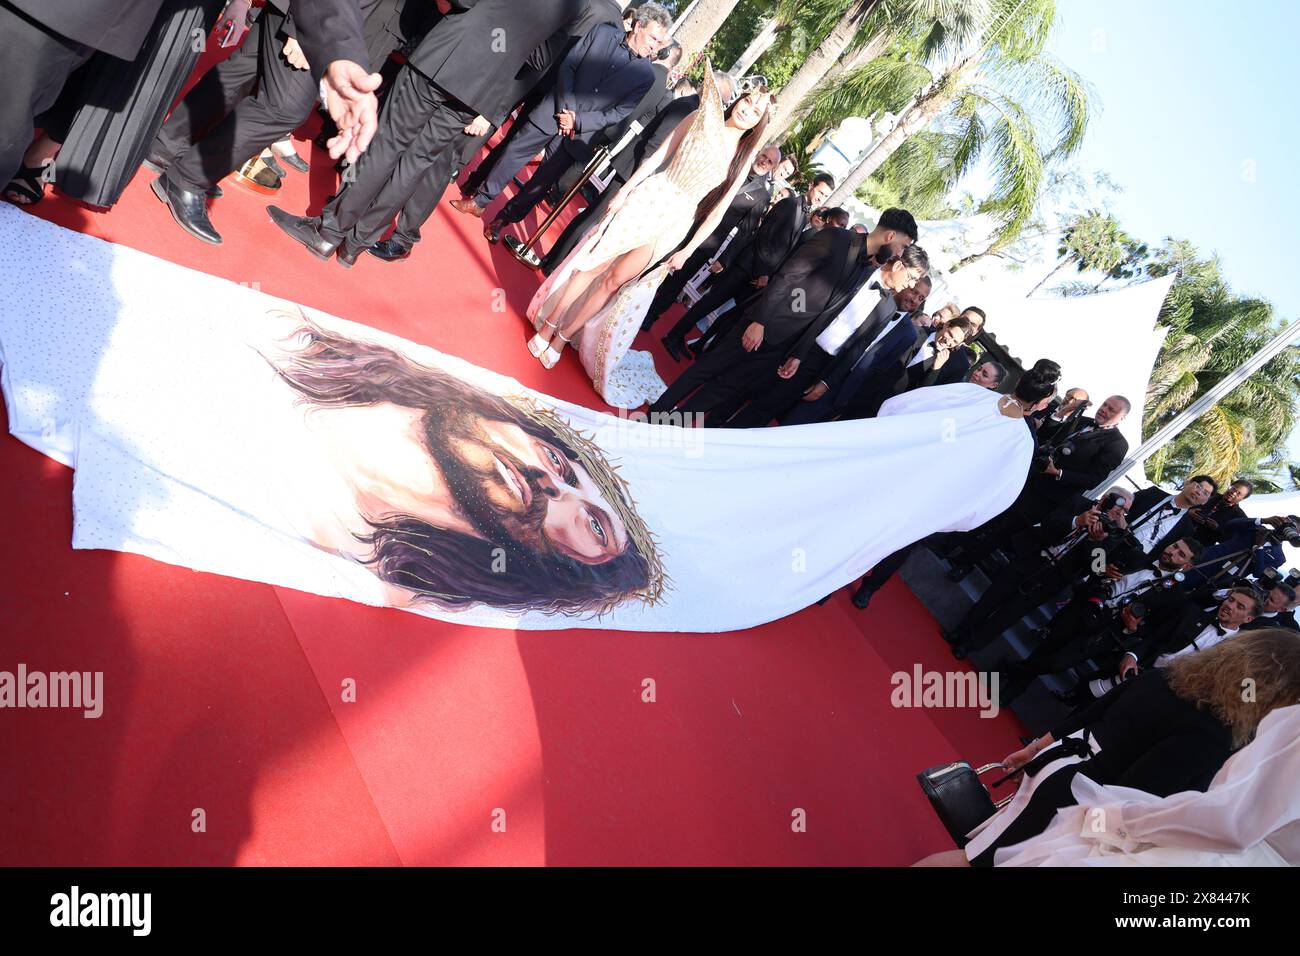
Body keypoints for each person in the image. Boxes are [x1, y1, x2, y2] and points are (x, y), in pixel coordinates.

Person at [264, 317, 665, 614]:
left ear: (556, 567)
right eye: (557, 461)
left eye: (595, 526)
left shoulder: (347, 566)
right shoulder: (304, 354)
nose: (553, 485)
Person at [916, 631, 1300, 867]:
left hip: (1059, 766)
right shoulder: (1213, 733)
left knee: (980, 853)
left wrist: (1037, 747)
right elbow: (1136, 792)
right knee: (977, 861)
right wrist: (1088, 842)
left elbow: (1093, 710)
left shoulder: (1170, 675)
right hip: (1078, 801)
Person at [522, 63, 773, 407]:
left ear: (759, 123)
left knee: (614, 281)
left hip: (677, 221)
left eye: (757, 112)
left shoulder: (740, 158)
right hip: (653, 194)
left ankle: (564, 336)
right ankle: (550, 323)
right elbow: (659, 156)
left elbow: (716, 212)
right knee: (594, 265)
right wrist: (626, 191)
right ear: (738, 99)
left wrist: (689, 249)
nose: (748, 111)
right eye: (748, 102)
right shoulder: (700, 116)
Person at [268, 0, 585, 266]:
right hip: (483, 89)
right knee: (416, 162)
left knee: (387, 143)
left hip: (445, 57)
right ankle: (356, 243)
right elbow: (541, 58)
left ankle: (328, 232)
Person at [648, 214, 921, 423]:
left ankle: (669, 426)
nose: (899, 254)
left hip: (783, 346)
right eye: (902, 246)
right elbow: (790, 276)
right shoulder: (836, 239)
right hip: (763, 325)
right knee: (706, 370)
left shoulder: (864, 269)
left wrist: (797, 353)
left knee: (723, 389)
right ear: (890, 235)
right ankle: (653, 417)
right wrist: (761, 322)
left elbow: (825, 315)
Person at [841, 365, 1058, 611]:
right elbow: (1002, 492)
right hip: (921, 480)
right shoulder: (1006, 425)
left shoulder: (1016, 433)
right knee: (892, 532)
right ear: (1041, 403)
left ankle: (860, 581)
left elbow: (906, 405)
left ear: (1019, 382)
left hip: (932, 488)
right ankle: (851, 577)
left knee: (889, 530)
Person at [448, 4, 669, 240]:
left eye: (659, 42)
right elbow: (569, 65)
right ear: (638, 26)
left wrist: (578, 121)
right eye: (654, 38)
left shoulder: (645, 75)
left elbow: (619, 112)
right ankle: (480, 201)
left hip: (581, 133)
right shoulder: (602, 33)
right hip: (554, 108)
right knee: (512, 153)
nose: (655, 46)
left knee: (540, 183)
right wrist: (568, 110)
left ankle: (503, 219)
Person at [537, 67, 736, 276]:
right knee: (593, 220)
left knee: (595, 221)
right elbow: (656, 145)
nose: (722, 108)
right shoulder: (687, 108)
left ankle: (555, 262)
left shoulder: (693, 110)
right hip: (634, 172)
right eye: (723, 101)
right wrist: (642, 182)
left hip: (637, 174)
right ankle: (553, 264)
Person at [657, 172, 836, 360]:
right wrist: (763, 273)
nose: (820, 197)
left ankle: (679, 337)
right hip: (747, 265)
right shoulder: (790, 204)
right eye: (820, 191)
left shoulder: (803, 214)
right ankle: (673, 336)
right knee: (709, 302)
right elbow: (764, 236)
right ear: (810, 185)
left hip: (755, 275)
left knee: (717, 309)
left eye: (824, 196)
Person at [636, 143, 779, 333]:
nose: (764, 162)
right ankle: (632, 296)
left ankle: (650, 315)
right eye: (764, 156)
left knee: (678, 279)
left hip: (709, 241)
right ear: (758, 153)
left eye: (770, 162)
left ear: (773, 168)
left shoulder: (762, 195)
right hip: (688, 221)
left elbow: (746, 231)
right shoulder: (734, 166)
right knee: (657, 258)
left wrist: (725, 259)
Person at [1189, 478, 1253, 545]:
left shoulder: (1239, 516)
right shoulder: (1210, 495)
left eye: (1238, 493)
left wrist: (1217, 529)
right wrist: (1189, 512)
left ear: (1242, 499)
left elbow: (1231, 541)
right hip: (1181, 530)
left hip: (1199, 546)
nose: (1233, 493)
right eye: (1233, 488)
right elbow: (1184, 504)